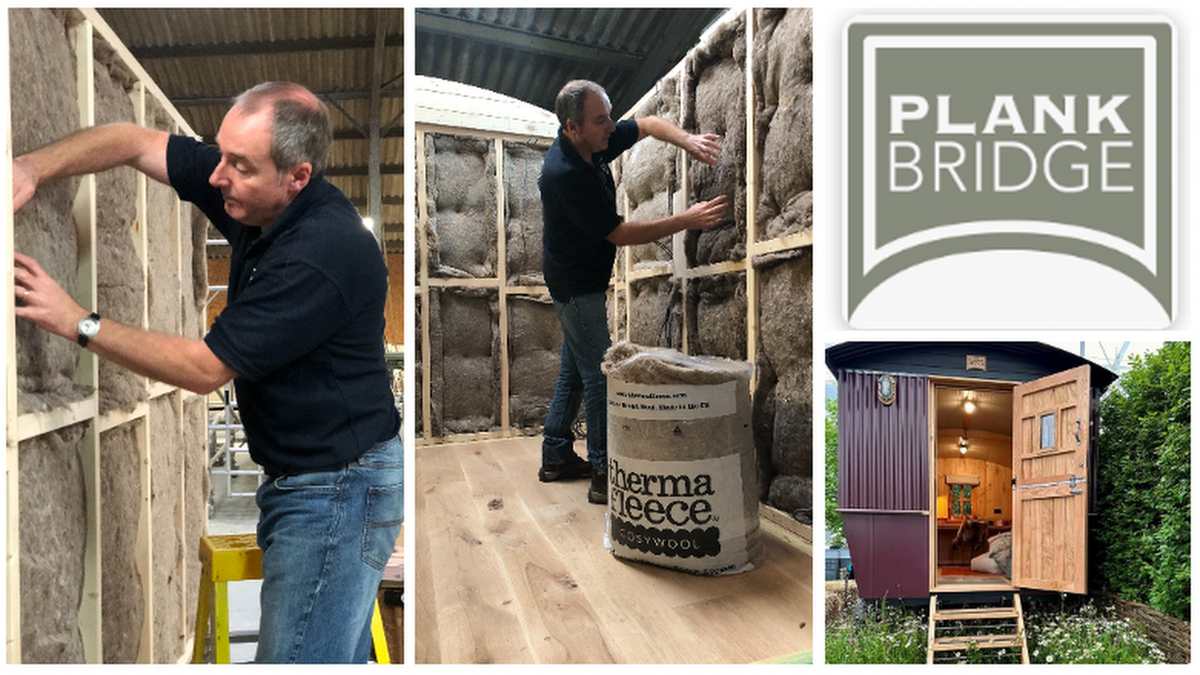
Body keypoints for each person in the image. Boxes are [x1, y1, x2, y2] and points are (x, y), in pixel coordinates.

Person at [11, 81, 401, 663]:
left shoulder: (321, 252)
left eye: (239, 166)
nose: (218, 177)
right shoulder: (250, 189)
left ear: (297, 176)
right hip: (310, 475)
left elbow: (204, 368)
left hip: (338, 487)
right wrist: (28, 168)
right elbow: (133, 141)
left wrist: (77, 321)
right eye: (221, 154)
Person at [538, 79, 729, 504]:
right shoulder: (564, 175)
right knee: (600, 374)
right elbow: (619, 233)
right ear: (573, 127)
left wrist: (688, 141)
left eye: (609, 115)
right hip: (574, 284)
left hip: (580, 277)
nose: (611, 125)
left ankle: (555, 455)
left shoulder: (594, 141)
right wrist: (687, 219)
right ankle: (605, 472)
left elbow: (645, 124)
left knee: (575, 368)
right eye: (601, 119)